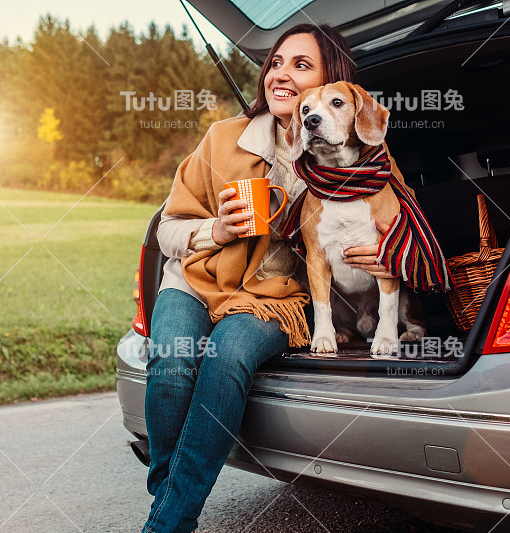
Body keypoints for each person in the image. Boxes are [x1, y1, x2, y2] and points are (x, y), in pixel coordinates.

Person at [142, 23, 395, 533]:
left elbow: (401, 216)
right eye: (276, 62)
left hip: (275, 297)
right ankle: (169, 509)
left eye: (301, 66)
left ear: (330, 86)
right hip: (195, 279)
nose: (281, 74)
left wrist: (393, 250)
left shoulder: (353, 154)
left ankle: (167, 523)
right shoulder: (222, 138)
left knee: (228, 358)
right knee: (172, 362)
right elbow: (166, 229)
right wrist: (216, 228)